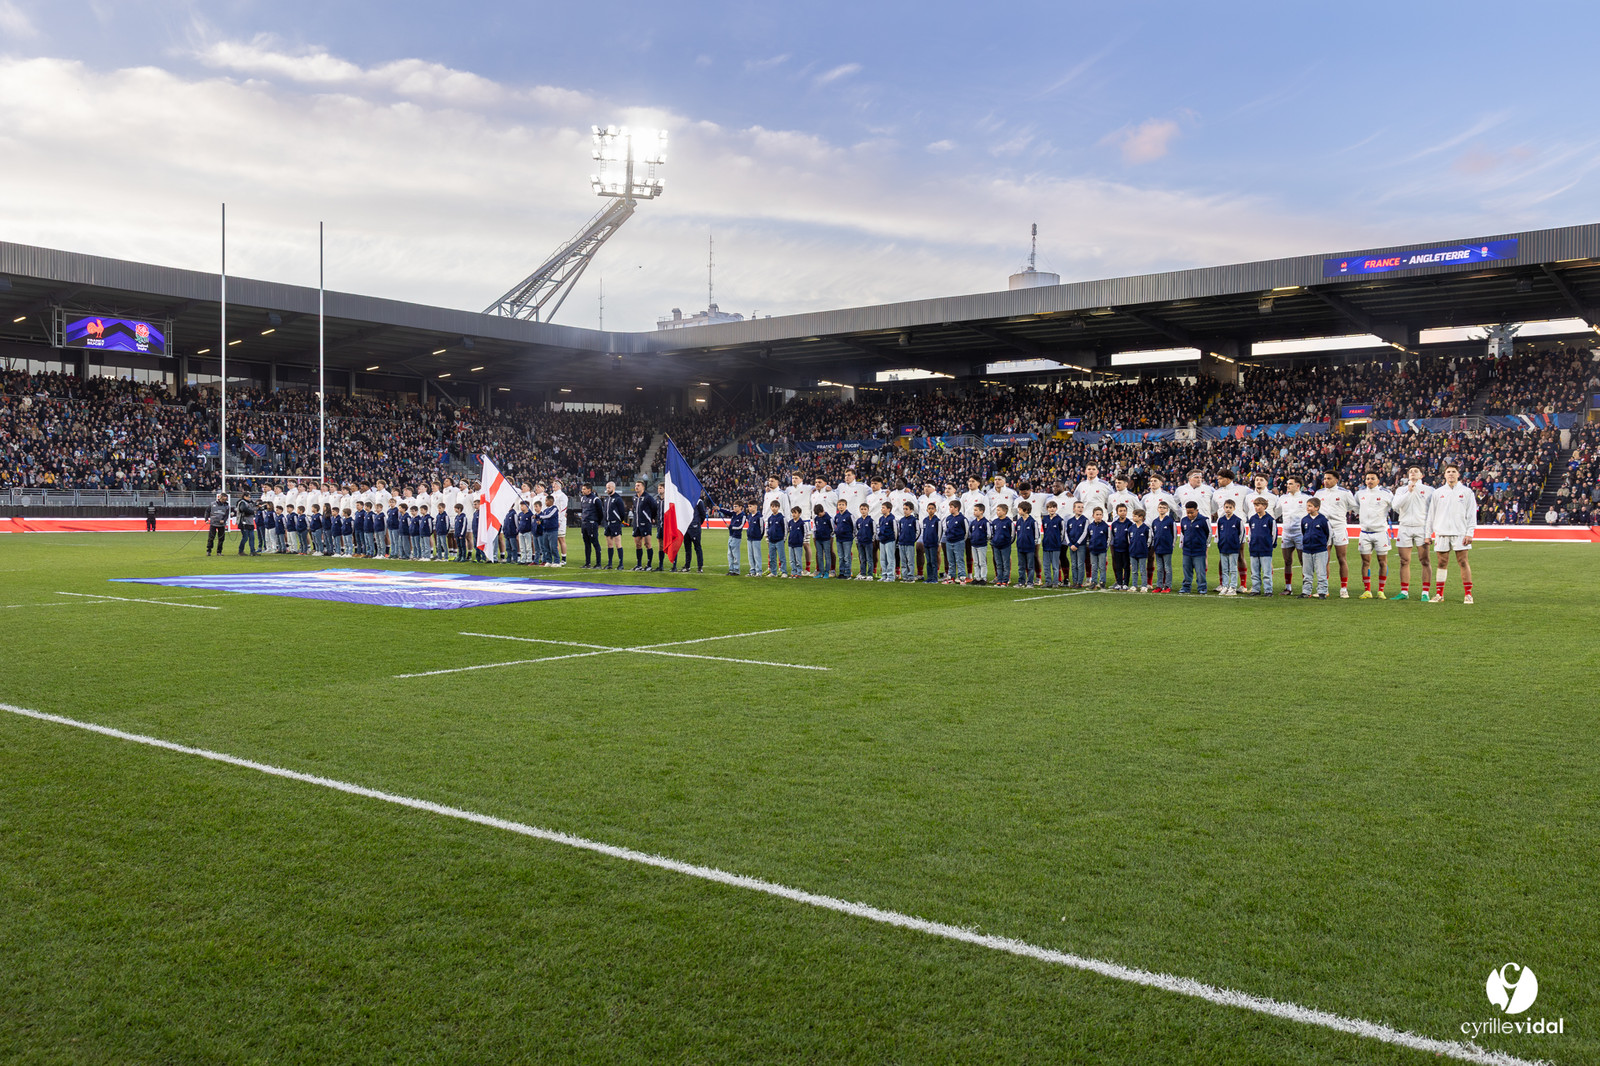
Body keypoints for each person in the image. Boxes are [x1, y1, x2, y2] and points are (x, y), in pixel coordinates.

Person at [1426, 463, 1477, 604]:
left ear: (1458, 474)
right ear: (1444, 474)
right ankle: (1439, 594)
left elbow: (1472, 514)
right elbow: (1431, 514)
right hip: (1441, 532)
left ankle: (1468, 594)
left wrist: (1470, 532)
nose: (1451, 474)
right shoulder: (1438, 493)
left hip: (1460, 532)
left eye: (1454, 471)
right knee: (1442, 563)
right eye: (1448, 471)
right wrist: (1428, 533)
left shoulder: (1467, 492)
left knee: (1463, 562)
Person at [1391, 467, 1432, 601]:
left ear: (1421, 475)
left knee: (1425, 560)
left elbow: (1433, 511)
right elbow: (1395, 506)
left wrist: (1430, 531)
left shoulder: (1429, 490)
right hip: (1404, 527)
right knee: (1404, 561)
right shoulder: (1401, 490)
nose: (1413, 473)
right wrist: (1409, 492)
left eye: (1416, 471)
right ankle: (1404, 591)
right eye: (1410, 471)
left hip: (1422, 527)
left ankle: (1425, 592)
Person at [1316, 472, 1358, 598]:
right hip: (1324, 529)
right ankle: (1324, 588)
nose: (1326, 481)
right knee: (1324, 560)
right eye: (1324, 478)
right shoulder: (1319, 493)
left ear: (1336, 480)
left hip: (1339, 528)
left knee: (1342, 558)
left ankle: (1343, 588)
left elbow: (1354, 506)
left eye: (1329, 478)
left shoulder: (1345, 493)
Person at [1355, 471, 1394, 599]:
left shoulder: (1386, 493)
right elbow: (1356, 508)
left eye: (1372, 478)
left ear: (1378, 480)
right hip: (1364, 533)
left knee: (1382, 561)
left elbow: (1395, 506)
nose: (1369, 481)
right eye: (1367, 479)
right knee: (1365, 562)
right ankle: (1367, 590)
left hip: (1380, 533)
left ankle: (1381, 590)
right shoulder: (1360, 494)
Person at [1212, 469, 1250, 592]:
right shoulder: (1216, 493)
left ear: (1227, 479)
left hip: (1237, 526)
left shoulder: (1243, 490)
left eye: (1220, 478)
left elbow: (1248, 505)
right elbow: (1213, 508)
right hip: (1223, 527)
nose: (1218, 480)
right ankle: (1222, 584)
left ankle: (1243, 585)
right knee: (1222, 556)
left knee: (1240, 555)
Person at [1275, 476, 1310, 597]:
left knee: (1303, 561)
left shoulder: (1306, 498)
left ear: (1298, 485)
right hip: (1286, 533)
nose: (1287, 485)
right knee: (1287, 561)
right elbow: (1276, 513)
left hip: (1300, 533)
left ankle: (1306, 588)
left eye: (1290, 484)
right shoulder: (1283, 498)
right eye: (1287, 483)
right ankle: (1288, 588)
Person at [1299, 497, 1331, 599]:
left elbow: (1329, 534)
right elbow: (1303, 533)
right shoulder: (1304, 520)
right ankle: (1306, 592)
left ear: (1317, 507)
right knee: (1307, 573)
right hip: (1307, 550)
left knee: (1321, 572)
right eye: (1307, 505)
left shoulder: (1323, 520)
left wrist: (1323, 545)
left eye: (1310, 506)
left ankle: (1322, 592)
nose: (1307, 508)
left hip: (1320, 550)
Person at [1245, 497, 1277, 596]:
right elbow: (1250, 533)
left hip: (1265, 549)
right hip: (1254, 549)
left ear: (1264, 506)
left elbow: (1274, 535)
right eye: (1255, 505)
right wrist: (1250, 544)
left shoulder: (1270, 520)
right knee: (1254, 572)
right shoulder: (1252, 519)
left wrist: (1269, 545)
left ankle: (1268, 590)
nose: (1256, 507)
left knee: (1266, 572)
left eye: (1258, 505)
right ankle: (1255, 589)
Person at [1178, 501, 1209, 594]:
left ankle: (1202, 587)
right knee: (1187, 570)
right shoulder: (1183, 520)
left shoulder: (1204, 520)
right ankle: (1186, 587)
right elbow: (1183, 533)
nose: (1190, 514)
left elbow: (1209, 533)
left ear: (1197, 511)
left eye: (1192, 512)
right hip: (1187, 550)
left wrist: (1205, 545)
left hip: (1199, 551)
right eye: (1188, 512)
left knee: (1200, 571)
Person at [1215, 499, 1243, 597]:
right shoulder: (1221, 520)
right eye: (1226, 507)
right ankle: (1225, 586)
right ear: (1224, 508)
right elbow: (1218, 533)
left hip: (1233, 548)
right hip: (1223, 548)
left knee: (1233, 568)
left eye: (1230, 507)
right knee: (1225, 569)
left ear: (1234, 508)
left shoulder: (1238, 520)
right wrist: (1219, 544)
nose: (1228, 509)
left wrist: (1236, 545)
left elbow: (1241, 535)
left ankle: (1233, 587)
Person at [600, 481, 627, 570]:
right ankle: (610, 563)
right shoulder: (607, 499)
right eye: (607, 487)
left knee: (618, 544)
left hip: (615, 523)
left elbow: (622, 512)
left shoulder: (618, 499)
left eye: (609, 488)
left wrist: (619, 521)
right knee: (609, 545)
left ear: (613, 488)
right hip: (607, 524)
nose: (607, 489)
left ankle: (621, 564)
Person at [630, 480, 656, 571]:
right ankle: (639, 564)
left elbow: (654, 508)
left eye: (638, 485)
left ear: (643, 487)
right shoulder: (634, 498)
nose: (636, 487)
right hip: (636, 524)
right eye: (636, 485)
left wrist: (651, 518)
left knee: (648, 544)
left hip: (645, 524)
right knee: (638, 544)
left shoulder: (648, 497)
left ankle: (649, 565)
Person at [1150, 500, 1175, 593]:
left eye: (1164, 508)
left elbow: (1174, 534)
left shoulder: (1170, 521)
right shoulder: (1155, 521)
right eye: (1160, 507)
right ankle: (1159, 586)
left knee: (1167, 568)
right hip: (1157, 548)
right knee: (1159, 568)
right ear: (1157, 509)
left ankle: (1168, 586)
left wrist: (1172, 545)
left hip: (1167, 548)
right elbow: (1153, 534)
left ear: (1167, 509)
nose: (1161, 509)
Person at [942, 501, 968, 584]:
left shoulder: (962, 518)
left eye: (951, 507)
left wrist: (961, 539)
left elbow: (966, 531)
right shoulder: (948, 518)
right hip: (949, 542)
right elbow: (946, 529)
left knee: (959, 559)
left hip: (958, 542)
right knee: (951, 560)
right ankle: (951, 577)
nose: (950, 509)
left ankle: (962, 577)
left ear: (956, 508)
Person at [1040, 500, 1064, 589]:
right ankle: (1048, 581)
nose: (1052, 509)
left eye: (1053, 507)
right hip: (1046, 545)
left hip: (1055, 546)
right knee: (1046, 565)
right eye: (1050, 507)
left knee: (1055, 566)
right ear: (1047, 509)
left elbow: (1062, 533)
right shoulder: (1045, 519)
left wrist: (1058, 542)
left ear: (1056, 508)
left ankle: (1055, 582)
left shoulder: (1059, 520)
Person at [1109, 502, 1133, 591]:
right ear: (1117, 512)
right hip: (1117, 548)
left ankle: (1126, 583)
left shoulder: (1129, 523)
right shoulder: (1114, 524)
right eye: (1120, 511)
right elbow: (1112, 537)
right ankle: (1119, 583)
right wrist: (1112, 547)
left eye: (1124, 511)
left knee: (1126, 567)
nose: (1123, 512)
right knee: (1118, 566)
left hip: (1126, 549)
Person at [1065, 500, 1089, 589]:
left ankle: (1079, 582)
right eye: (1078, 507)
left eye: (1082, 507)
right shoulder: (1070, 521)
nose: (1080, 509)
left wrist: (1077, 544)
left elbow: (1085, 532)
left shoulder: (1085, 520)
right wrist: (1070, 544)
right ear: (1074, 509)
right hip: (1072, 546)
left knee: (1080, 564)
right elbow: (1066, 533)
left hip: (1080, 546)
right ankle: (1074, 581)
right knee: (1074, 564)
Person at [1014, 501, 1038, 589]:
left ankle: (1030, 582)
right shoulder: (1019, 521)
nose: (1019, 511)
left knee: (1030, 566)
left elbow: (1036, 535)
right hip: (1020, 547)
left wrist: (1033, 544)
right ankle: (1021, 582)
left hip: (1029, 548)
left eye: (1020, 509)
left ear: (1026, 510)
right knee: (1021, 566)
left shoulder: (1032, 521)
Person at [578, 484, 602, 569]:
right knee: (586, 544)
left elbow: (600, 512)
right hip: (584, 524)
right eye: (582, 489)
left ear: (589, 490)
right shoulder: (582, 498)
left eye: (584, 489)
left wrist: (598, 523)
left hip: (592, 523)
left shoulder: (595, 499)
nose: (582, 491)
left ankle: (598, 564)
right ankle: (587, 563)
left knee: (595, 543)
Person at [990, 502, 1013, 587]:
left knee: (1005, 563)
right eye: (997, 510)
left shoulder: (1008, 522)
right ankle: (999, 580)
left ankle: (1005, 581)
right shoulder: (995, 522)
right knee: (998, 563)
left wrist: (1007, 542)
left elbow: (1012, 534)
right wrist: (993, 541)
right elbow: (992, 533)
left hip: (1005, 546)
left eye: (999, 510)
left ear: (1004, 512)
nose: (997, 512)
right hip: (996, 545)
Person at [1128, 507, 1151, 593]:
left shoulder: (1146, 528)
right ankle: (1134, 585)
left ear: (1141, 517)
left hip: (1142, 552)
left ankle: (1144, 586)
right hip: (1133, 552)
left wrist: (1144, 548)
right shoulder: (1131, 528)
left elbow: (1149, 540)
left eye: (1135, 516)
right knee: (1134, 570)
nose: (1133, 518)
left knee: (1142, 570)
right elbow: (1129, 539)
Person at [893, 502, 917, 582]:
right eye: (904, 509)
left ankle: (910, 576)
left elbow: (918, 531)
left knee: (910, 561)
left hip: (909, 543)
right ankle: (905, 576)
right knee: (903, 561)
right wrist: (900, 539)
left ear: (911, 510)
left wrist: (913, 539)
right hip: (901, 543)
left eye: (906, 509)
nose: (905, 510)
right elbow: (899, 531)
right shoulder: (901, 520)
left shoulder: (914, 520)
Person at [723, 499, 747, 576]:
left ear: (740, 507)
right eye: (734, 506)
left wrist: (731, 527)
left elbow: (740, 526)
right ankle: (731, 569)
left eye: (736, 506)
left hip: (736, 537)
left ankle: (736, 570)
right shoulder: (733, 513)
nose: (734, 508)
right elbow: (726, 512)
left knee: (735, 554)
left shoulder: (742, 516)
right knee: (729, 554)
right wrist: (719, 509)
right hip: (731, 536)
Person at [833, 499, 856, 579]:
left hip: (847, 539)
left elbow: (854, 526)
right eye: (839, 505)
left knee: (847, 557)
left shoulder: (849, 515)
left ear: (846, 506)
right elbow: (835, 525)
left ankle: (847, 573)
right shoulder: (837, 516)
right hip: (839, 539)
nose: (841, 506)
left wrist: (852, 536)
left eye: (843, 504)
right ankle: (841, 573)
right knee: (841, 557)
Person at [765, 500, 788, 577]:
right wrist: (768, 538)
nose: (774, 508)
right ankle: (773, 572)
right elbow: (767, 528)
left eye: (775, 507)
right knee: (772, 558)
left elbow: (785, 529)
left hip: (779, 540)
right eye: (772, 506)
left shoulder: (782, 517)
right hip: (771, 541)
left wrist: (784, 539)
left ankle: (784, 572)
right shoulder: (770, 518)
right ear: (770, 507)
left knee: (782, 557)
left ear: (778, 507)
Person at [968, 502, 989, 585]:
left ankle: (983, 578)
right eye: (974, 510)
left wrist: (984, 540)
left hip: (982, 545)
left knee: (982, 562)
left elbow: (989, 533)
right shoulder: (973, 522)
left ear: (981, 511)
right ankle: (977, 577)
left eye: (976, 510)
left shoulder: (985, 522)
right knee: (976, 562)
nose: (974, 512)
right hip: (974, 544)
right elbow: (970, 532)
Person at [811, 503, 835, 578]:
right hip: (818, 539)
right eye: (817, 514)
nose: (819, 515)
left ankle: (827, 572)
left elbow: (833, 528)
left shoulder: (829, 518)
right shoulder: (816, 518)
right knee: (819, 556)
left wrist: (829, 536)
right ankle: (820, 572)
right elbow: (815, 527)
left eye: (820, 514)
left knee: (827, 555)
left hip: (826, 540)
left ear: (823, 510)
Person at [919, 502, 941, 583]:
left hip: (933, 544)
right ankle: (929, 577)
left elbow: (939, 532)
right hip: (926, 544)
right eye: (929, 508)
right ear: (926, 510)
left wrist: (938, 542)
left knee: (933, 561)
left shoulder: (937, 521)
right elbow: (924, 532)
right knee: (928, 562)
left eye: (932, 508)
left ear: (935, 510)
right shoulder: (925, 520)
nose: (930, 510)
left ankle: (934, 578)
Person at [853, 503, 875, 580]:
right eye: (862, 509)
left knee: (869, 558)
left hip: (868, 542)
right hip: (860, 542)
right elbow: (856, 530)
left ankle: (870, 574)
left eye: (865, 509)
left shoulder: (870, 520)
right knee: (862, 558)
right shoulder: (858, 520)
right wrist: (857, 538)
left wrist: (871, 539)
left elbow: (874, 531)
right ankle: (862, 573)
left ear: (868, 510)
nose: (863, 511)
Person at [551, 478, 569, 564]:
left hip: (559, 520)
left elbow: (563, 509)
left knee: (561, 539)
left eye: (554, 484)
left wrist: (560, 520)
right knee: (554, 540)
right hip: (552, 520)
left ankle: (564, 558)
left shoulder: (562, 496)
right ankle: (556, 558)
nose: (552, 485)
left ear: (558, 485)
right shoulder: (551, 495)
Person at [787, 505, 808, 578]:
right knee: (792, 559)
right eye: (792, 513)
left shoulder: (802, 523)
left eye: (795, 513)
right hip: (791, 544)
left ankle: (799, 573)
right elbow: (788, 531)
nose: (793, 514)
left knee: (798, 560)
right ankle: (793, 572)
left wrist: (802, 540)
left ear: (799, 513)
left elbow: (805, 532)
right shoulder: (790, 522)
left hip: (798, 544)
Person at [745, 501, 766, 576]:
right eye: (748, 506)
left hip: (756, 539)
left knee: (757, 555)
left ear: (755, 506)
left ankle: (758, 571)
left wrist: (758, 536)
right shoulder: (749, 516)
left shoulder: (759, 517)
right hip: (749, 538)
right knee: (750, 555)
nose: (749, 508)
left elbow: (762, 529)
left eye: (750, 506)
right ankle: (752, 571)